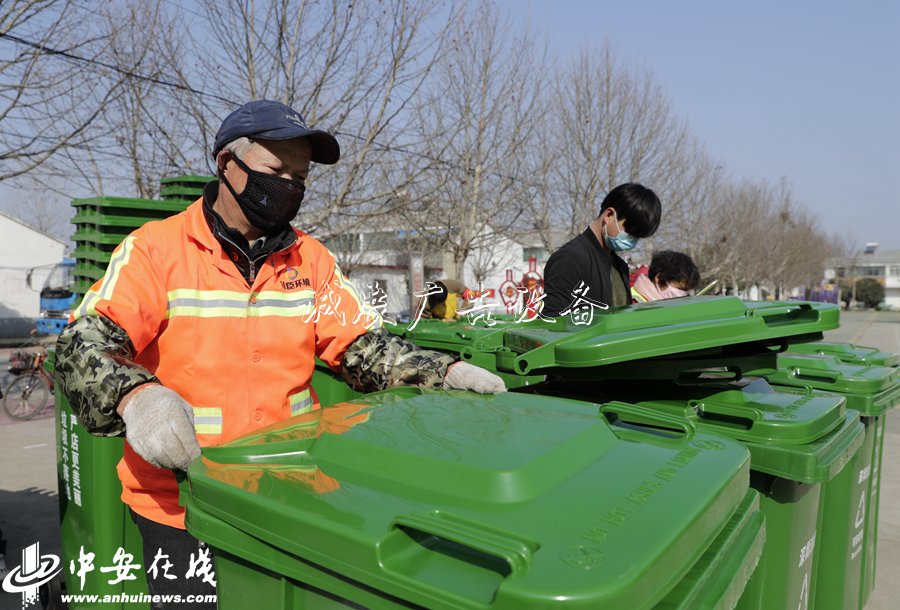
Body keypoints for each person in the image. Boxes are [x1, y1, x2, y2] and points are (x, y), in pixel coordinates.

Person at [54, 100, 505, 609]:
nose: (289, 186)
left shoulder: (310, 260)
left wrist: (441, 370)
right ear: (227, 164)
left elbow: (361, 344)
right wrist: (136, 397)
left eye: (300, 176)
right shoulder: (156, 251)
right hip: (184, 503)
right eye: (275, 170)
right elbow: (82, 342)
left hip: (288, 497)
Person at [541, 183, 662, 316]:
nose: (632, 240)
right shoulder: (570, 259)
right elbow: (554, 323)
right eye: (630, 232)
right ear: (609, 215)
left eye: (637, 237)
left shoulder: (620, 266)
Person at [631, 250, 701, 302]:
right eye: (680, 289)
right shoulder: (631, 302)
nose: (683, 295)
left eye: (686, 291)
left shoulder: (662, 304)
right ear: (659, 278)